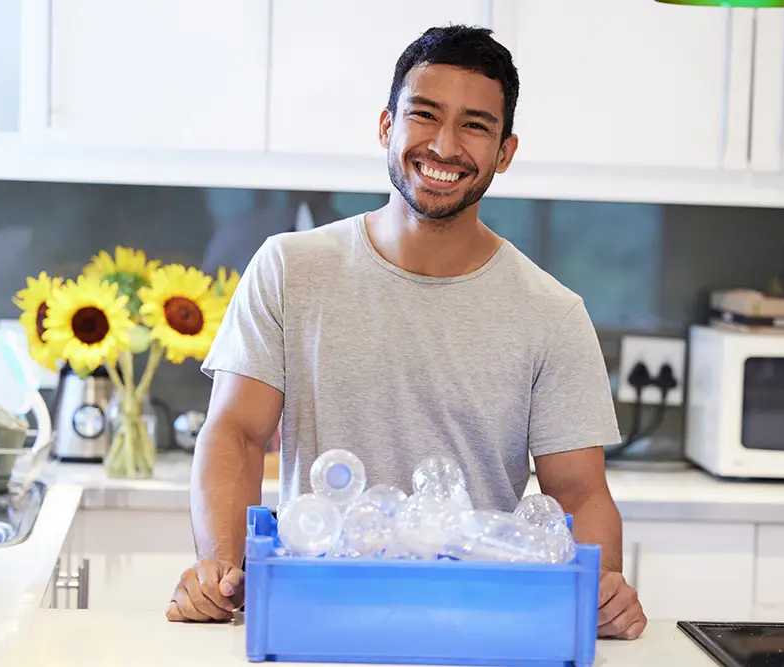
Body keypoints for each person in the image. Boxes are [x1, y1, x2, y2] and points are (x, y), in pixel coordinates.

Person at [166, 24, 647, 641]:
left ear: (505, 152)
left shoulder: (551, 312)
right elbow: (235, 431)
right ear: (387, 127)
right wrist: (222, 567)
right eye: (425, 114)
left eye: (475, 124)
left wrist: (600, 585)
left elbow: (579, 493)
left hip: (477, 624)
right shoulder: (290, 268)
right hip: (313, 613)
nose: (445, 146)